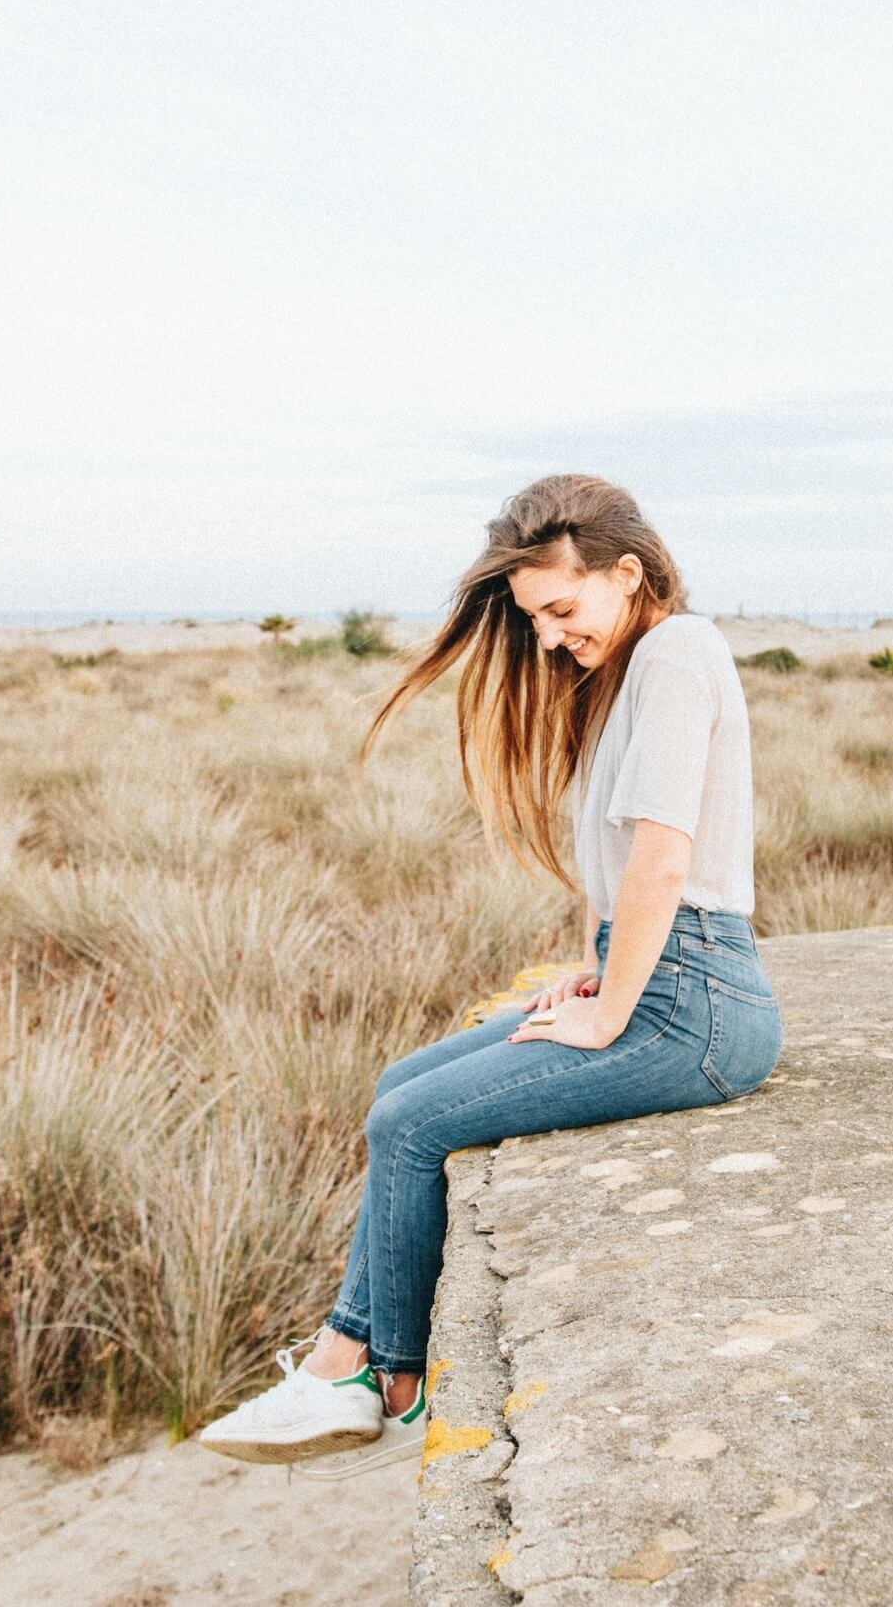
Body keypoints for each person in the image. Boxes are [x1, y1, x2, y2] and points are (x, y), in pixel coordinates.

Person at [199, 473, 782, 1467]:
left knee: (409, 1123)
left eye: (560, 609)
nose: (549, 637)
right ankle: (348, 1371)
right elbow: (616, 874)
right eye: (534, 620)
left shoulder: (679, 651)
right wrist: (597, 974)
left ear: (627, 573)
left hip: (700, 1008)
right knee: (397, 1088)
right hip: (663, 987)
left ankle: (374, 1378)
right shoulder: (623, 676)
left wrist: (610, 1016)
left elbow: (664, 859)